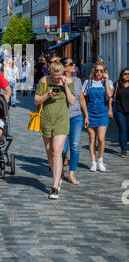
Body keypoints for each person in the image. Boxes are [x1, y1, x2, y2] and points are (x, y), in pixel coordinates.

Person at [34, 61, 75, 200]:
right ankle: (57, 175)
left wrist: (65, 86)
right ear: (50, 73)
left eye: (59, 76)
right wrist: (47, 95)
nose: (57, 79)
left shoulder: (68, 81)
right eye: (54, 77)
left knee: (57, 151)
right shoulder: (43, 81)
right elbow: (36, 100)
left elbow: (72, 101)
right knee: (49, 152)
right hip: (46, 119)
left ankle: (55, 185)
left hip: (61, 121)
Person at [61, 57, 89, 185]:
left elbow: (82, 99)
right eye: (71, 64)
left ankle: (72, 174)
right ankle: (60, 169)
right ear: (65, 67)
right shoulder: (59, 81)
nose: (74, 65)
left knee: (75, 146)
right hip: (62, 117)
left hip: (77, 117)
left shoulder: (77, 80)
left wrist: (86, 115)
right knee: (63, 149)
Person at [83, 60, 114, 172]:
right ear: (94, 71)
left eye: (101, 71)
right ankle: (93, 162)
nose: (99, 73)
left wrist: (106, 80)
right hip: (90, 112)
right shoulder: (88, 82)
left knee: (101, 139)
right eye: (97, 71)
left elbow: (110, 95)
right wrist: (85, 115)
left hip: (102, 112)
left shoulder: (108, 82)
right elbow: (83, 98)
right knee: (92, 139)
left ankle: (100, 160)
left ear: (104, 71)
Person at [112, 68, 129, 158]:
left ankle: (124, 143)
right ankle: (123, 149)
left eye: (128, 74)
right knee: (123, 129)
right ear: (122, 75)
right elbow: (112, 96)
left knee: (128, 131)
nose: (127, 75)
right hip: (119, 110)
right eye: (125, 74)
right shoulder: (117, 84)